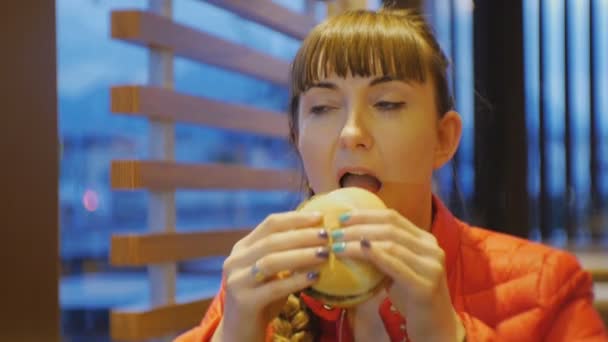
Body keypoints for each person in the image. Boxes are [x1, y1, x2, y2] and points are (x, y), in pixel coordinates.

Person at [176, 7, 608, 342]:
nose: (351, 134)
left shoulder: (547, 286)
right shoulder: (262, 282)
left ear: (443, 138)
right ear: (296, 138)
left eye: (387, 104)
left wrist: (447, 334)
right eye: (323, 108)